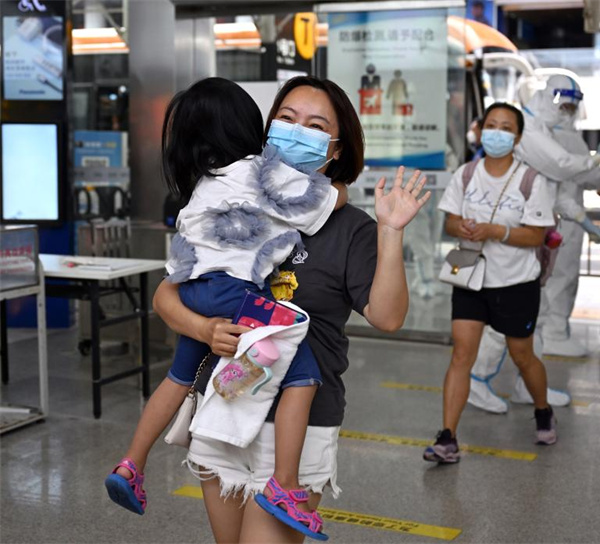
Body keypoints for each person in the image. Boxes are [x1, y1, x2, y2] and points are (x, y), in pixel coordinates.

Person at [153, 76, 431, 544]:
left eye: (315, 124)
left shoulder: (350, 226)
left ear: (336, 148)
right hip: (224, 404)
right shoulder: (236, 196)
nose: (296, 131)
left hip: (298, 424)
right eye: (286, 119)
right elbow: (168, 292)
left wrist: (391, 231)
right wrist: (203, 327)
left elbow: (387, 316)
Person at [104, 77, 348, 538]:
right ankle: (286, 486)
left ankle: (131, 464)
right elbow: (331, 200)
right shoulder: (260, 169)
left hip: (191, 287)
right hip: (233, 292)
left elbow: (172, 274)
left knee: (178, 379)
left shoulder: (201, 184)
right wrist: (340, 188)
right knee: (303, 376)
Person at [426, 102, 557, 463]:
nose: (497, 132)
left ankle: (542, 408)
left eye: (505, 127)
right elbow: (449, 223)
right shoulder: (466, 174)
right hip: (471, 277)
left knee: (522, 355)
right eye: (491, 125)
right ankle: (448, 437)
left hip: (516, 282)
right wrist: (464, 227)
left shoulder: (531, 180)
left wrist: (495, 231)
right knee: (461, 356)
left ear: (516, 136)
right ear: (480, 130)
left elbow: (536, 237)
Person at [516, 74, 600, 358]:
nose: (568, 114)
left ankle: (532, 369)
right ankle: (553, 335)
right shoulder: (535, 132)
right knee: (553, 283)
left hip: (551, 222)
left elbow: (554, 189)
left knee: (541, 293)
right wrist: (598, 160)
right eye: (567, 107)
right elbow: (564, 168)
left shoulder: (545, 131)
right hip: (536, 225)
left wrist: (585, 221)